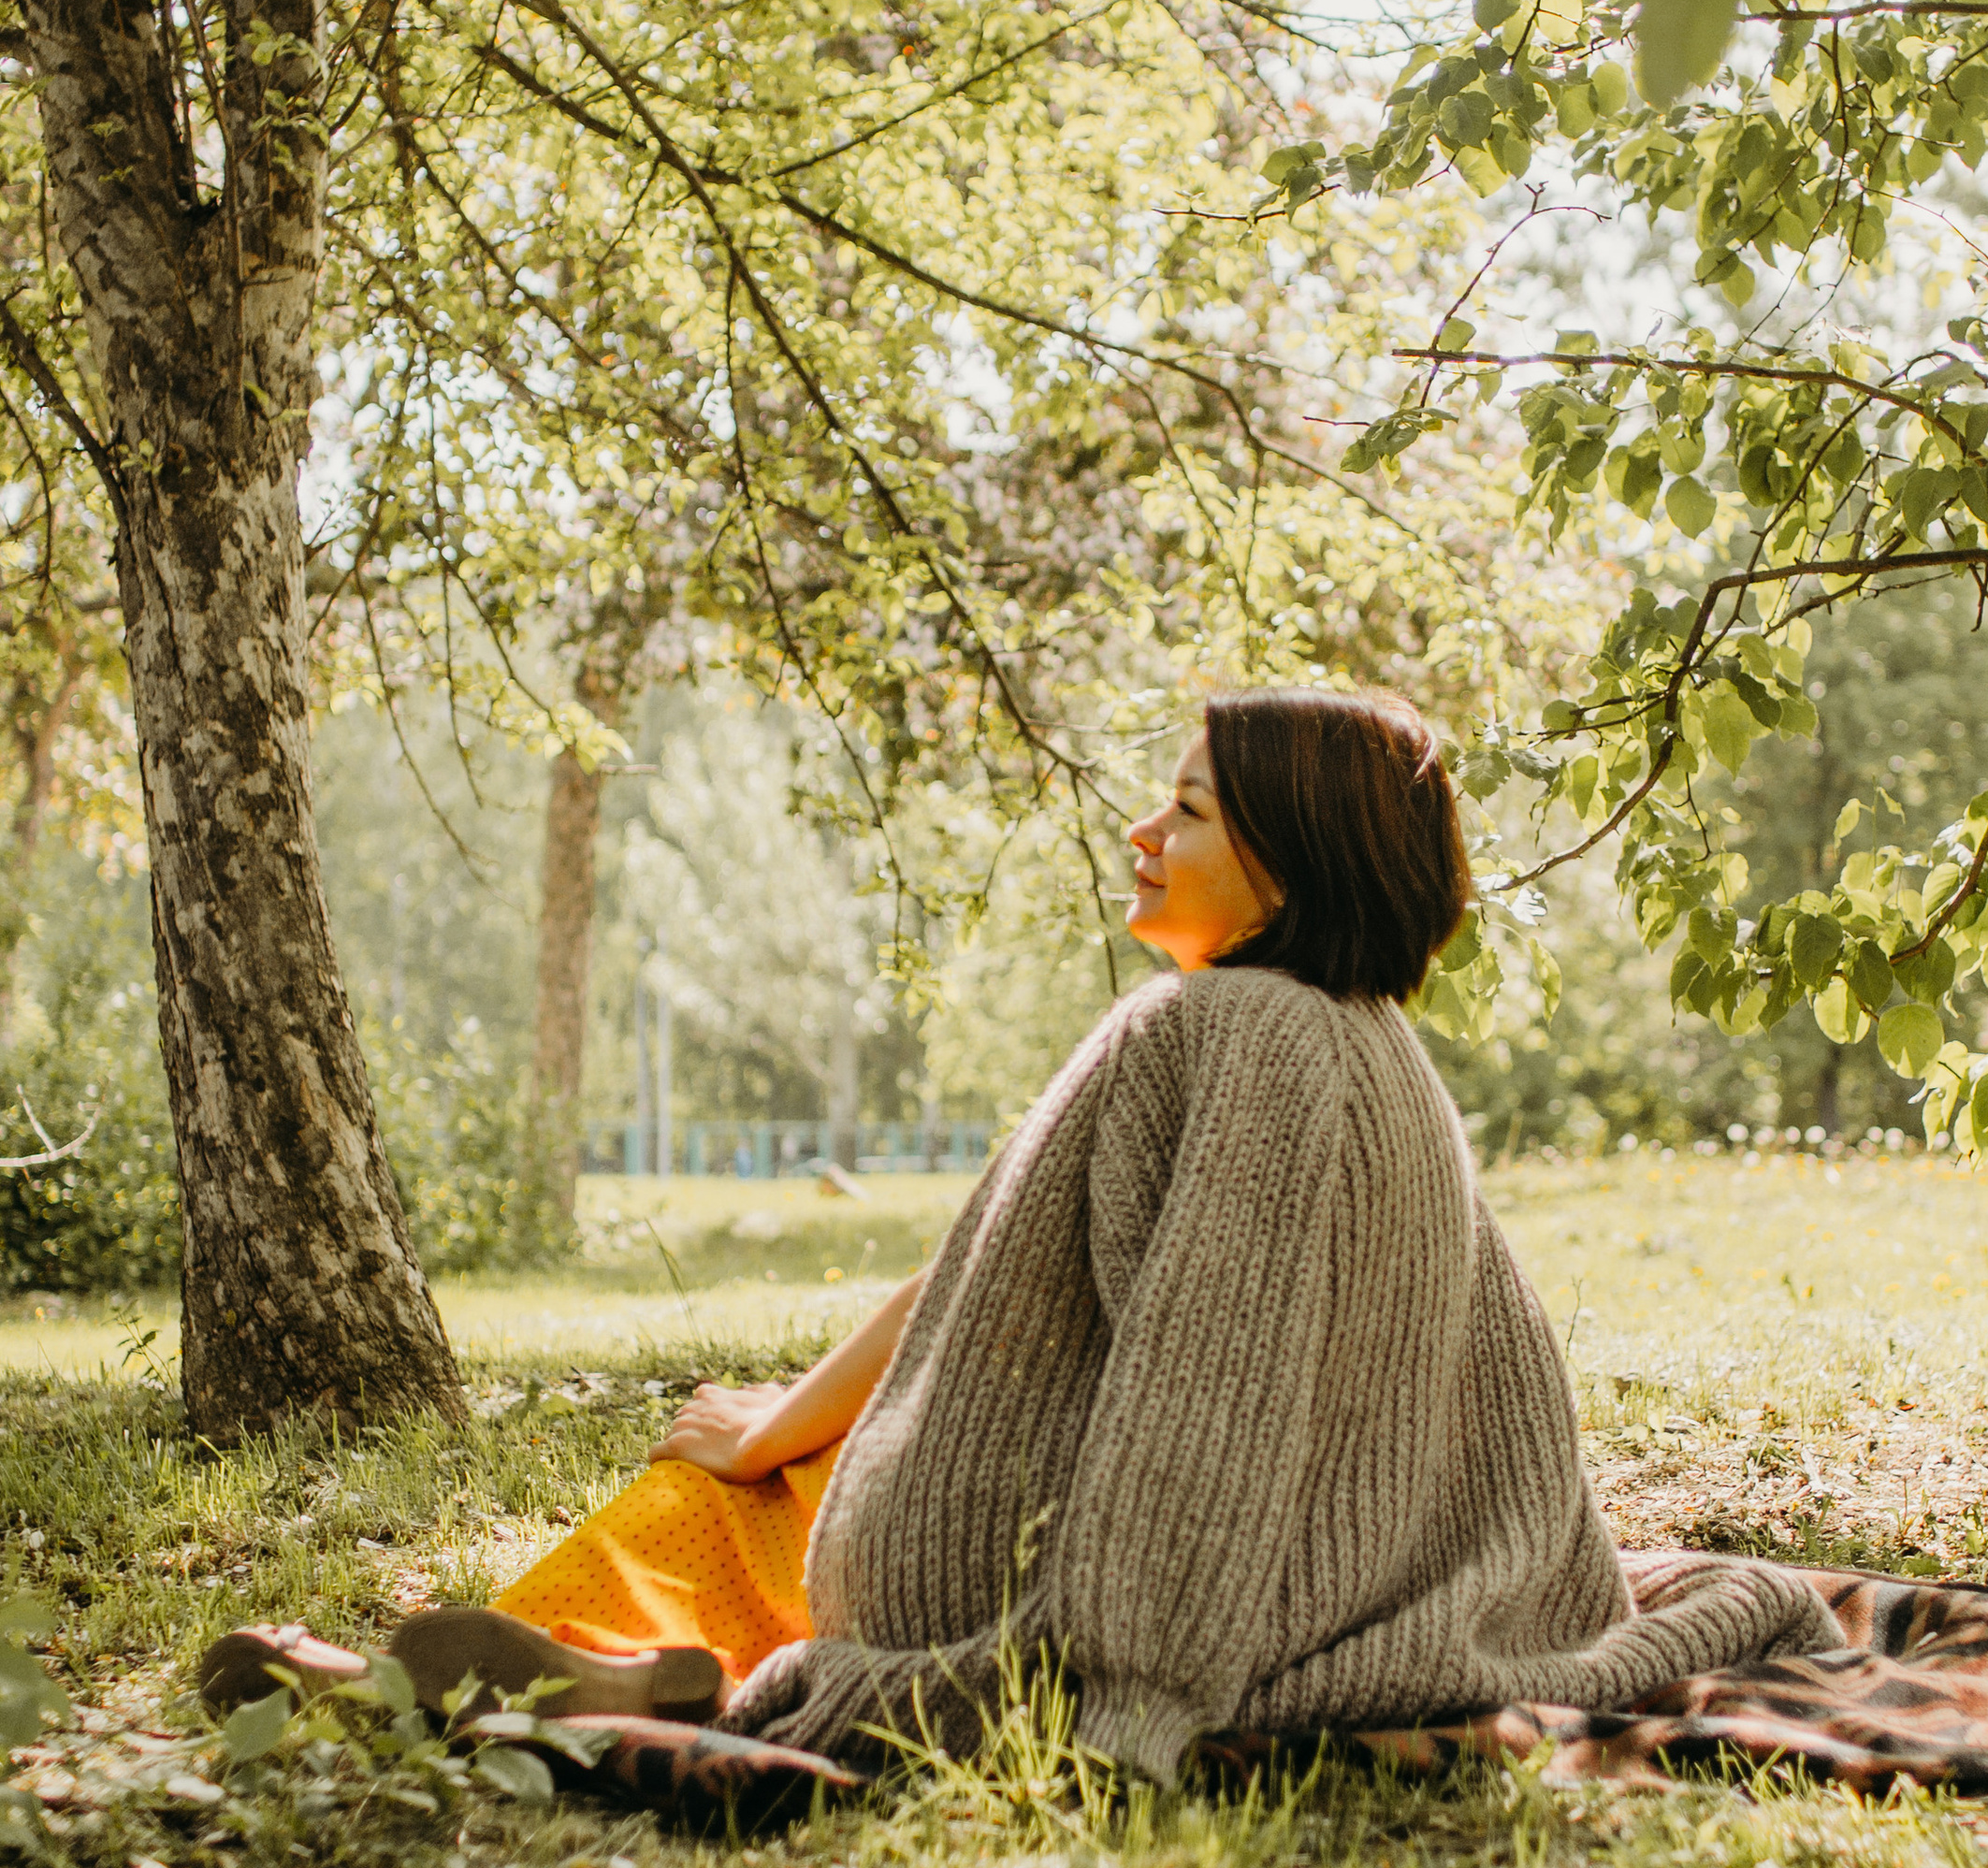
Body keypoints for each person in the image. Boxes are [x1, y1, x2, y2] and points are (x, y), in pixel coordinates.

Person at [200, 689, 1836, 1771]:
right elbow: (981, 1271)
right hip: (1125, 1509)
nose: (1145, 832)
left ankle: (502, 1697)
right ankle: (587, 1680)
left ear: (1288, 861)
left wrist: (1124, 1679)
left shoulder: (1238, 1041)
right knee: (741, 1466)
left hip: (1059, 1561)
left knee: (697, 1507)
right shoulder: (1344, 1041)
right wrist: (780, 1420)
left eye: (1186, 814)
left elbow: (1216, 1383)